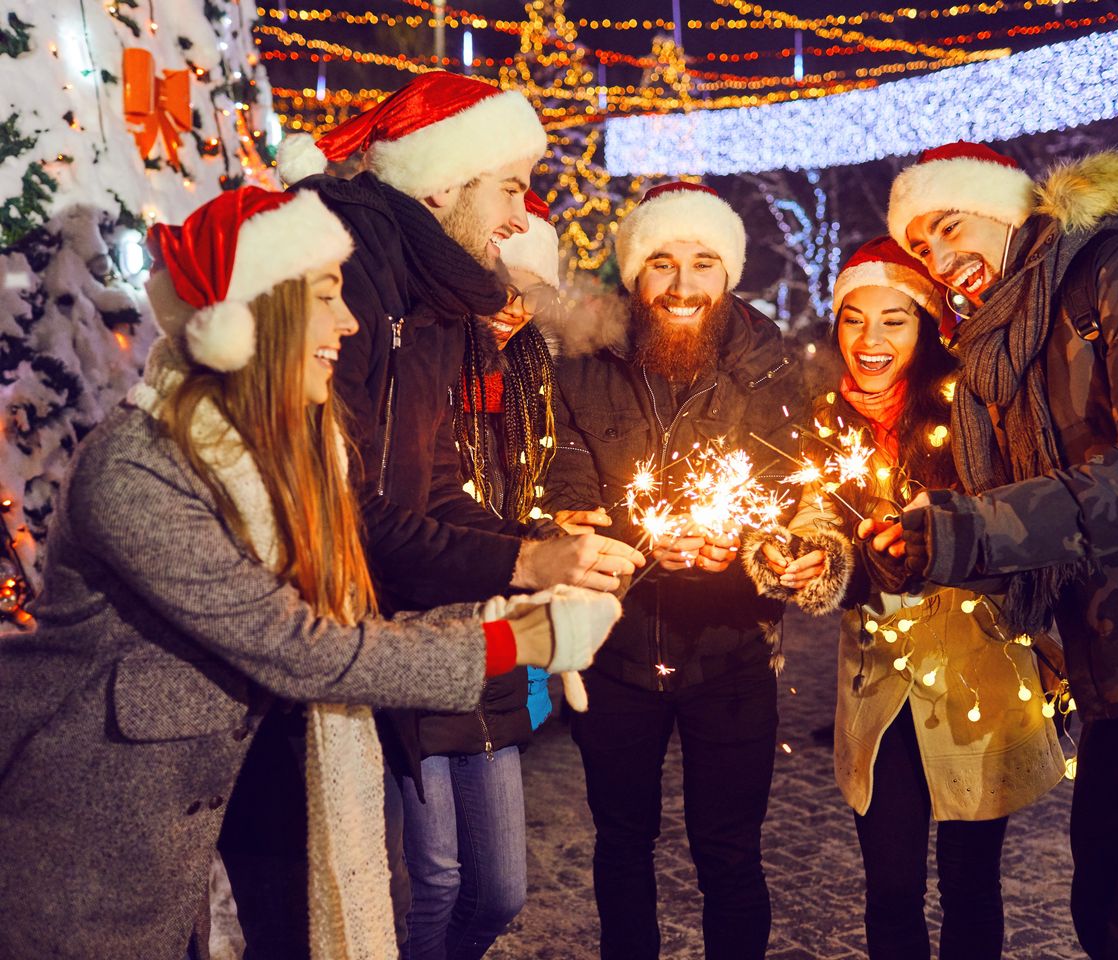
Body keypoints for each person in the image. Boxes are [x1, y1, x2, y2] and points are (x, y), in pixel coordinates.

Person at [0, 187, 621, 960]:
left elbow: (344, 629)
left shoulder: (290, 459)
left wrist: (508, 605)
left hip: (193, 813)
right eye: (327, 298)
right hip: (87, 841)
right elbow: (300, 646)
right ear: (253, 319)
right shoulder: (140, 470)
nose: (350, 322)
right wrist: (518, 640)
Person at [221, 73, 644, 955]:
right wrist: (525, 570)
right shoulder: (355, 281)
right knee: (358, 901)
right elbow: (347, 510)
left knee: (463, 893)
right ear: (445, 180)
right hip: (326, 644)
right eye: (509, 184)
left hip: (403, 623)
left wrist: (537, 539)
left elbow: (437, 482)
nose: (522, 213)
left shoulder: (435, 292)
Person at [870, 141, 1118, 959]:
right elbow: (1043, 520)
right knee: (1103, 918)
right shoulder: (1007, 346)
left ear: (1011, 207)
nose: (941, 259)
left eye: (949, 227)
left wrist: (970, 527)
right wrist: (924, 545)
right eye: (920, 248)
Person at [741, 236, 1064, 959]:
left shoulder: (973, 411)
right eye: (854, 318)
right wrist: (810, 556)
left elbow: (1021, 531)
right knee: (889, 889)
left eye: (894, 319)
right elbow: (817, 514)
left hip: (975, 677)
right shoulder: (828, 418)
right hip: (880, 684)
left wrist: (943, 542)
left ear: (927, 324)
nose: (871, 339)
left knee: (971, 885)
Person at [544, 182, 806, 960]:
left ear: (729, 275)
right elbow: (564, 481)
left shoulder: (768, 365)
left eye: (702, 263)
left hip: (731, 653)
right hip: (618, 653)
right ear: (634, 274)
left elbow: (791, 487)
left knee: (730, 853)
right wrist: (635, 540)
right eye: (661, 263)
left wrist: (749, 546)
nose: (683, 285)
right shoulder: (584, 364)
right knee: (622, 843)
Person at [401, 193, 567, 960]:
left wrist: (553, 536)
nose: (510, 312)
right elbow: (419, 511)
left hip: (496, 645)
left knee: (500, 890)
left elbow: (534, 492)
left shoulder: (531, 385)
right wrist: (527, 551)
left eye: (525, 297)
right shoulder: (425, 372)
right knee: (434, 878)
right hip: (419, 638)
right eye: (499, 292)